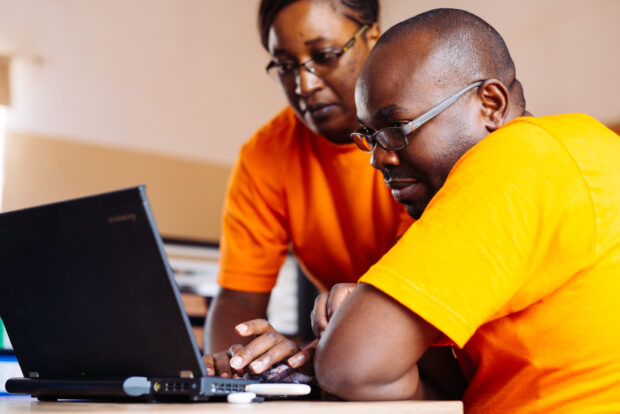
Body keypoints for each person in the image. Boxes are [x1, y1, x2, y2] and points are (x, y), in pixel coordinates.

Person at [312, 8, 620, 413]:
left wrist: (350, 340)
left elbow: (352, 368)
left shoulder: (519, 159)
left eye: (397, 129)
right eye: (370, 136)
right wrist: (357, 320)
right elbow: (466, 383)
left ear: (491, 104)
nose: (379, 158)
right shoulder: (576, 150)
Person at [203, 0, 414, 378]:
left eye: (325, 55)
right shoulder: (265, 155)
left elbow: (408, 298)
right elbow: (237, 298)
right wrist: (237, 362)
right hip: (352, 352)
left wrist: (307, 354)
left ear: (374, 37)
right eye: (285, 65)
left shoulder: (419, 134)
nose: (304, 84)